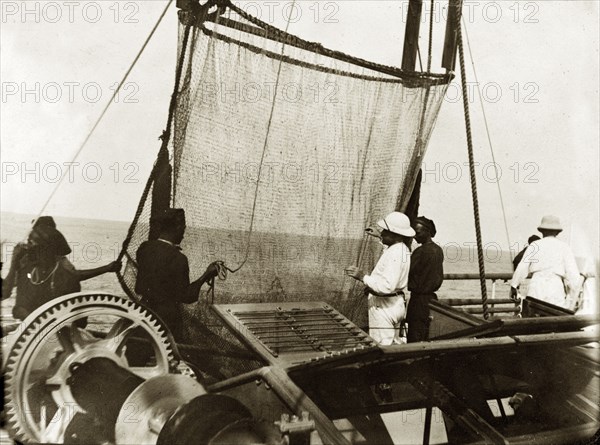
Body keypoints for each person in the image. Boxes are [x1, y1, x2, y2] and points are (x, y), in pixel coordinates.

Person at [2, 217, 120, 320]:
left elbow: (74, 276)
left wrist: (106, 268)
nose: (28, 246)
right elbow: (6, 291)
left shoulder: (59, 263)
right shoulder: (25, 261)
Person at [135, 208, 219, 342]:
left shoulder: (144, 248)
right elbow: (187, 296)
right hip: (166, 322)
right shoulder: (178, 258)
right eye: (184, 228)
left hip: (142, 314)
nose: (184, 234)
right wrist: (206, 275)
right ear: (178, 227)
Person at [345, 211, 414, 345]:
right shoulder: (402, 249)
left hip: (384, 306)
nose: (381, 233)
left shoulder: (395, 253)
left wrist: (362, 276)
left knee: (383, 346)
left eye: (385, 232)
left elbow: (386, 287)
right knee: (395, 343)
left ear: (395, 234)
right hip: (396, 304)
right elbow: (389, 256)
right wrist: (380, 238)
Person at [510, 215, 580, 310]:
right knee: (554, 318)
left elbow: (522, 267)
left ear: (542, 231)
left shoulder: (535, 245)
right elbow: (573, 274)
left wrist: (514, 286)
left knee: (534, 318)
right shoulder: (564, 247)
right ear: (558, 232)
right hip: (555, 287)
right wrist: (574, 295)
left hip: (536, 285)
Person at [406, 216, 444, 343]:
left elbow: (407, 271)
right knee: (427, 335)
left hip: (418, 302)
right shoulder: (438, 250)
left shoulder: (420, 251)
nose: (415, 236)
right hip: (431, 301)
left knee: (415, 336)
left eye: (417, 233)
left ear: (427, 231)